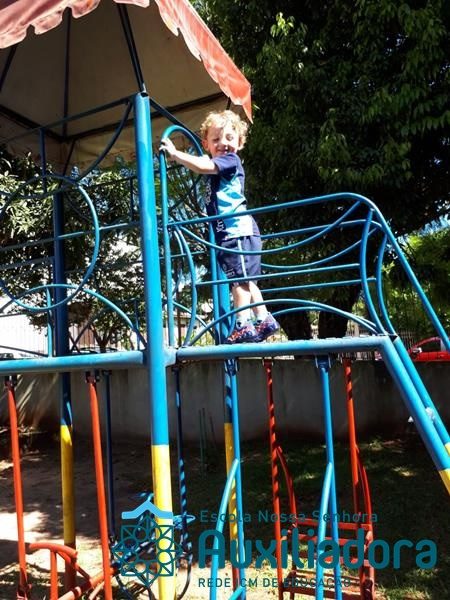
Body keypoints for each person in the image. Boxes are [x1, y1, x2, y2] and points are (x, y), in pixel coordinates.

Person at [160, 110, 279, 343]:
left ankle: (243, 324)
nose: (223, 143)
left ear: (240, 143)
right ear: (206, 144)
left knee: (239, 282)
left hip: (237, 231)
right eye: (216, 139)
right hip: (235, 231)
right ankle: (264, 318)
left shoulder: (230, 161)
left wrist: (175, 154)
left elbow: (204, 166)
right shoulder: (219, 164)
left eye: (229, 138)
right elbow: (205, 165)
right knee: (246, 279)